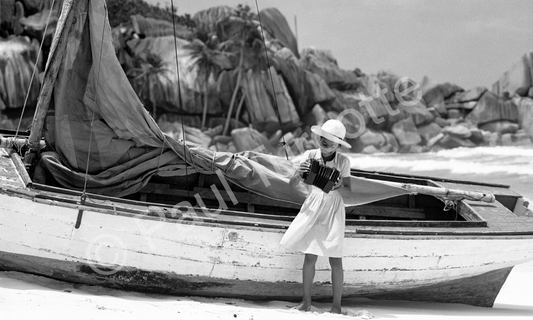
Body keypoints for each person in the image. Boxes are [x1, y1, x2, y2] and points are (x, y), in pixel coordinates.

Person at [280, 119, 352, 314]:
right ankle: (306, 302)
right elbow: (292, 184)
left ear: (338, 144)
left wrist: (337, 185)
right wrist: (299, 172)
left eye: (330, 140)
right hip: (313, 204)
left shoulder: (343, 162)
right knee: (309, 255)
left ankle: (336, 307)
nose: (325, 142)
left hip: (334, 207)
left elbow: (349, 190)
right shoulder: (310, 155)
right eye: (323, 138)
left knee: (335, 258)